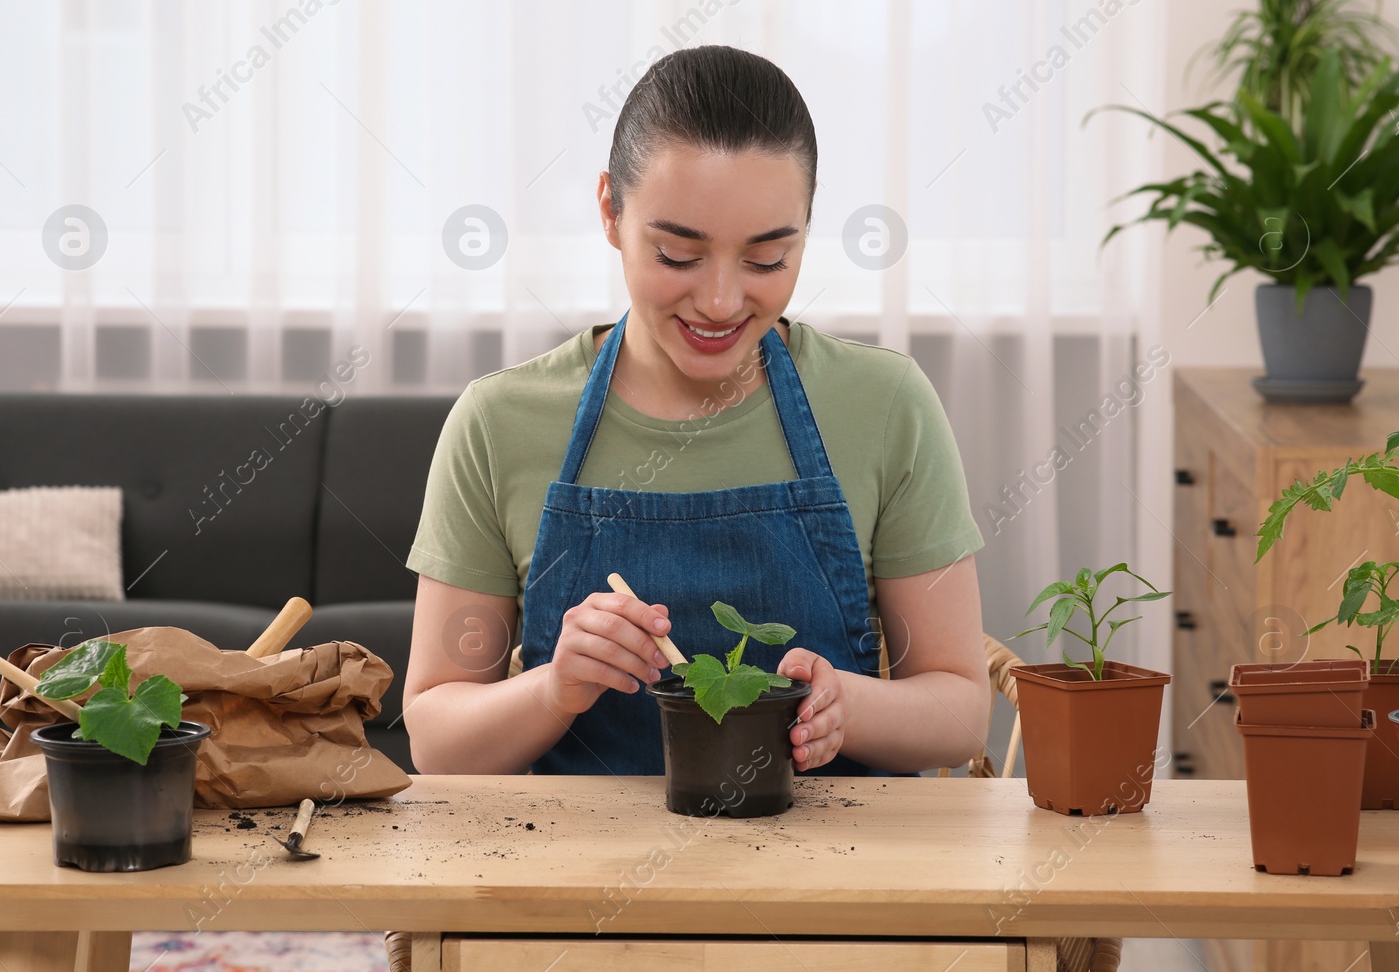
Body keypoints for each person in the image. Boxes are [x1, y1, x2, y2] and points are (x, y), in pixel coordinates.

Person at [402, 45, 989, 778]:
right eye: (679, 254)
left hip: (833, 880)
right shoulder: (498, 423)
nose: (719, 300)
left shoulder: (886, 406)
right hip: (582, 879)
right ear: (611, 211)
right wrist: (554, 690)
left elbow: (961, 706)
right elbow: (434, 734)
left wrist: (853, 708)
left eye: (767, 259)